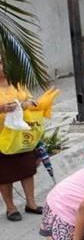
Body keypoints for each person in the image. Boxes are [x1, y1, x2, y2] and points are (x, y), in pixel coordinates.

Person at [0, 57, 42, 221]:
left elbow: (31, 100)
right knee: (4, 174)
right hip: (2, 137)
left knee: (27, 169)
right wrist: (2, 108)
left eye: (2, 62)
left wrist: (27, 104)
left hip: (23, 134)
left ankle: (31, 203)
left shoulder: (17, 83)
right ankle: (10, 208)